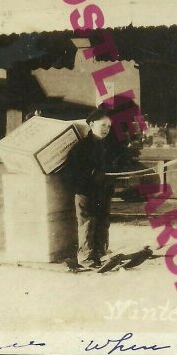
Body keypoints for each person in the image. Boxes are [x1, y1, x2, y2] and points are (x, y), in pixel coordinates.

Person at [63, 108, 116, 268]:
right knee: (87, 223)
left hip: (103, 191)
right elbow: (72, 171)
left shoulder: (108, 147)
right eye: (103, 125)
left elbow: (113, 168)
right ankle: (86, 257)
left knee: (103, 221)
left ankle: (101, 253)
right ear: (92, 124)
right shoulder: (81, 148)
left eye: (109, 126)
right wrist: (91, 175)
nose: (106, 129)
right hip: (85, 192)